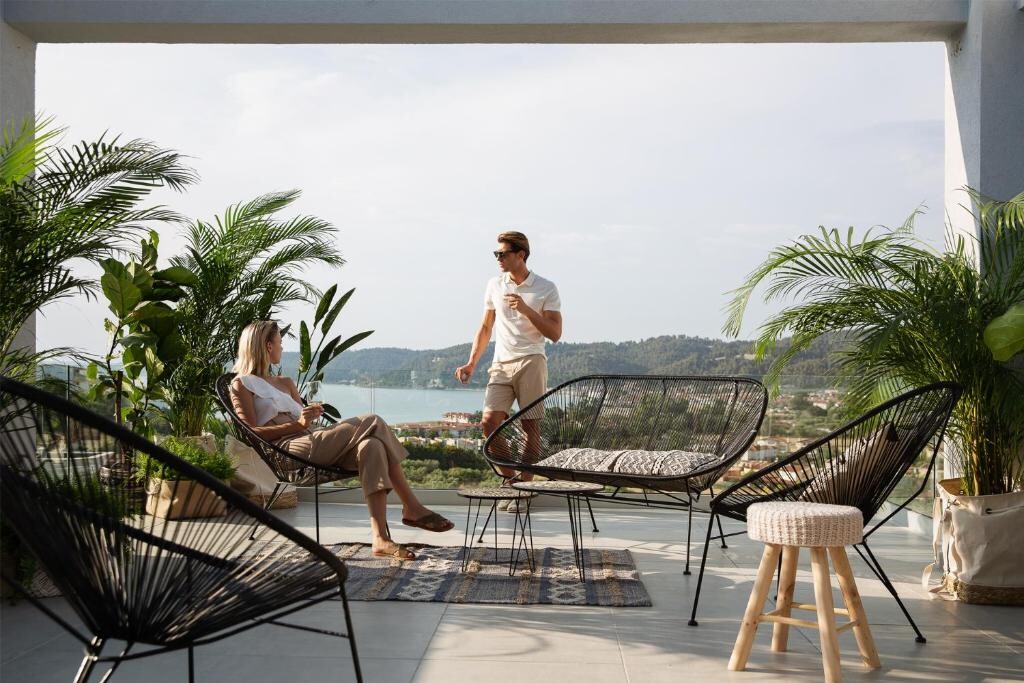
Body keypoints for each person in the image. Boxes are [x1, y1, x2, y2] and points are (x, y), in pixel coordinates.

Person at [230, 320, 453, 561]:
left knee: (372, 446)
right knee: (373, 420)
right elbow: (252, 433)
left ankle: (380, 539)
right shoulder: (241, 384)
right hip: (287, 450)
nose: (282, 348)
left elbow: (305, 422)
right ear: (267, 345)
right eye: (280, 342)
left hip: (312, 439)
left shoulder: (286, 383)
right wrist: (299, 425)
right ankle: (412, 506)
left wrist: (309, 417)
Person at [454, 231, 562, 511]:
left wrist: (526, 309)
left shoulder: (546, 287)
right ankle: (511, 482)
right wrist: (471, 362)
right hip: (500, 364)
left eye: (502, 253)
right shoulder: (494, 284)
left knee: (530, 428)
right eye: (496, 254)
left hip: (531, 361)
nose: (498, 258)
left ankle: (524, 491)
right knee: (488, 423)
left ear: (521, 255)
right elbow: (486, 327)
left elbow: (555, 333)